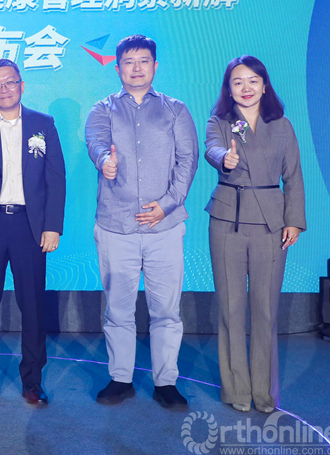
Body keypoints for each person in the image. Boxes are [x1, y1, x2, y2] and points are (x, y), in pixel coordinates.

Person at [84, 35, 198, 411]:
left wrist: (166, 205)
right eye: (129, 62)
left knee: (166, 310)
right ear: (117, 68)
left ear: (155, 66)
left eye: (144, 60)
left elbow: (188, 161)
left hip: (164, 227)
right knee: (118, 309)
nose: (136, 67)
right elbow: (96, 143)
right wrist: (105, 162)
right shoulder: (102, 109)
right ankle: (121, 379)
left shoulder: (175, 110)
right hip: (115, 225)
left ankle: (166, 382)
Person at [0, 59, 66, 405]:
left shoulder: (43, 123)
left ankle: (32, 381)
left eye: (10, 82)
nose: (3, 89)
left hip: (29, 225)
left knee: (32, 306)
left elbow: (56, 177)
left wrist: (53, 226)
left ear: (22, 86)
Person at [205, 55, 305, 413]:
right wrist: (225, 159)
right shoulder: (220, 122)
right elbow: (213, 149)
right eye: (237, 82)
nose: (245, 88)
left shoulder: (282, 125)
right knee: (231, 310)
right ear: (228, 89)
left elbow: (293, 175)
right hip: (227, 221)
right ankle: (236, 391)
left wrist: (294, 220)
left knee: (265, 311)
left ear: (264, 86)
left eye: (252, 81)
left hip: (271, 224)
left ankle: (264, 394)